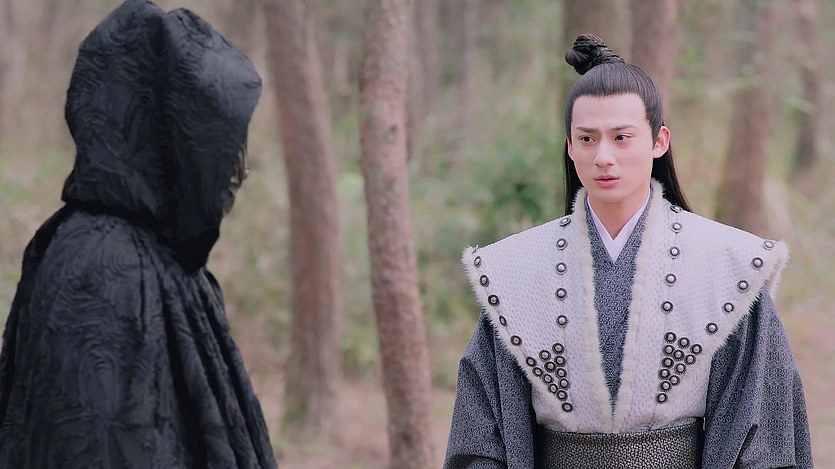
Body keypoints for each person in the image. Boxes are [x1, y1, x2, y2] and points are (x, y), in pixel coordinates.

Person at [444, 34, 813, 468]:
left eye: (621, 137)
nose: (603, 156)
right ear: (569, 146)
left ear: (659, 141)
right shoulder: (515, 271)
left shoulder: (729, 265)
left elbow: (762, 434)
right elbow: (481, 435)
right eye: (587, 139)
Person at [0, 1, 277, 467]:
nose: (241, 169)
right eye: (223, 144)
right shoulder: (100, 271)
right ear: (166, 139)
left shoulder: (164, 256)